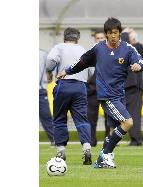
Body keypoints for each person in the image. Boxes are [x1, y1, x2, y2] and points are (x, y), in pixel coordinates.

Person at [57, 17, 143, 168]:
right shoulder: (98, 49)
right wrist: (68, 70)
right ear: (106, 34)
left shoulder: (128, 48)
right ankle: (104, 155)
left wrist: (138, 65)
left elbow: (140, 60)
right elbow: (82, 62)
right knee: (128, 122)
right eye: (110, 33)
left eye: (116, 33)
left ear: (119, 33)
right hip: (107, 96)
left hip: (120, 95)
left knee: (113, 128)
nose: (113, 36)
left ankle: (105, 158)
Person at [46, 27, 94, 165]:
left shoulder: (59, 47)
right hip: (80, 87)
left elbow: (50, 59)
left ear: (64, 37)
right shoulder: (83, 50)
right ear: (77, 38)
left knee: (60, 118)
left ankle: (61, 150)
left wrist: (49, 71)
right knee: (82, 119)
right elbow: (91, 70)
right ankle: (86, 147)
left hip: (64, 85)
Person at [87, 29, 110, 147]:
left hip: (107, 89)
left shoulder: (112, 51)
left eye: (102, 38)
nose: (100, 40)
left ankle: (109, 140)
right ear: (95, 39)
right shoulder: (90, 53)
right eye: (98, 38)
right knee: (91, 117)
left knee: (109, 117)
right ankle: (91, 140)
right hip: (91, 90)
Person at [121, 28, 143, 146]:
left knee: (134, 113)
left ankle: (136, 139)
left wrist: (125, 34)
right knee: (130, 114)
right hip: (127, 86)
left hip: (134, 86)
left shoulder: (138, 47)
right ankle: (134, 138)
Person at [39, 48, 54, 144]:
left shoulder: (43, 53)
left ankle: (55, 140)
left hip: (40, 91)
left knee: (46, 116)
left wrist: (49, 77)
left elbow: (50, 70)